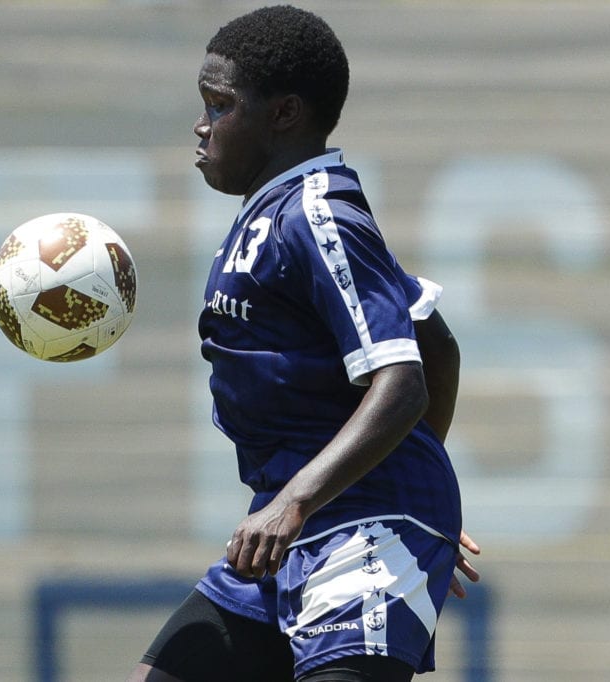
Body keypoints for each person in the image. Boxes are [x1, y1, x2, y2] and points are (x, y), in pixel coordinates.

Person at [128, 6, 479, 681]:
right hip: (293, 529)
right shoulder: (276, 213)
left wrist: (393, 502)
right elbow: (438, 344)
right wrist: (408, 488)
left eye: (220, 105)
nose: (202, 125)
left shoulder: (320, 214)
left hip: (355, 538)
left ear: (283, 115)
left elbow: (406, 380)